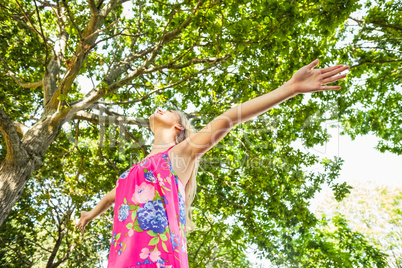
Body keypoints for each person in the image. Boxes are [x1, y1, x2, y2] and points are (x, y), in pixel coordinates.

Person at [76, 59, 349, 267]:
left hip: (157, 260)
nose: (162, 107)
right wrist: (91, 213)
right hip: (122, 260)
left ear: (177, 126)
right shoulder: (135, 172)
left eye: (170, 109)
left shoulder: (179, 155)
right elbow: (116, 194)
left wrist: (290, 88)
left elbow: (231, 116)